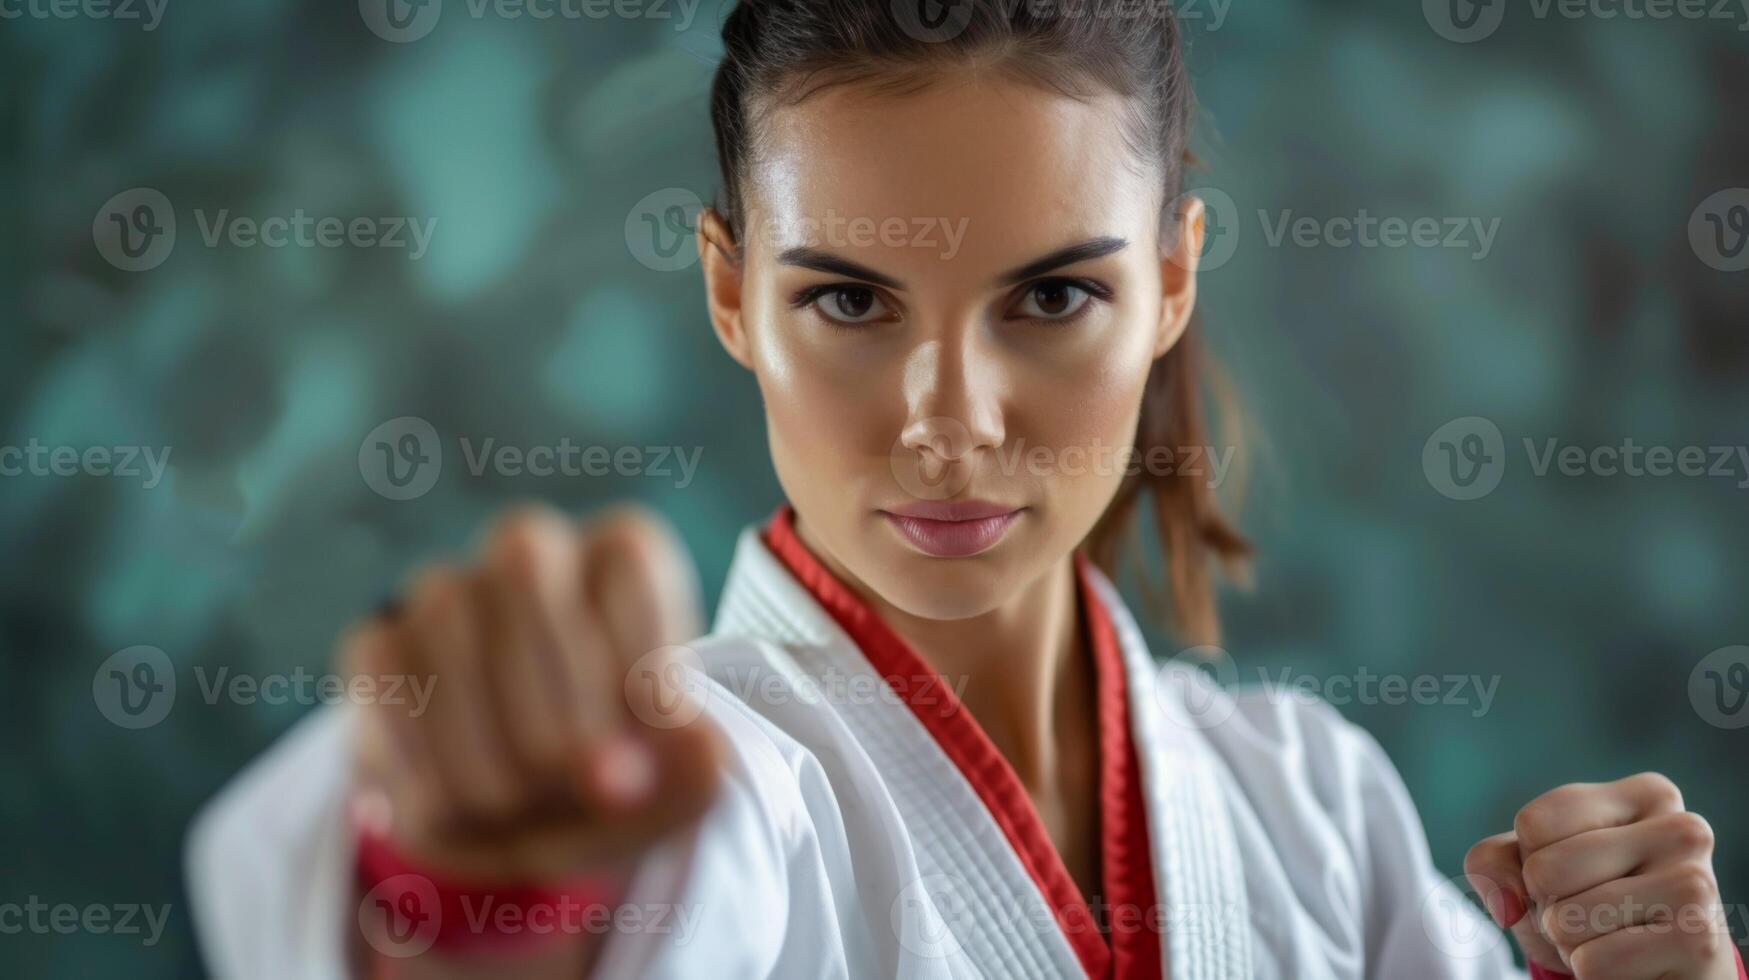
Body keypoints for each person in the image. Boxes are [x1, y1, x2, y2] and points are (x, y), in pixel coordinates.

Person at [185, 2, 1745, 977]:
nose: (946, 420)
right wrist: (475, 902)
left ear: (1174, 283)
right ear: (729, 294)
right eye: (849, 302)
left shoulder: (1313, 806)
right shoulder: (692, 782)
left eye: (1051, 300)